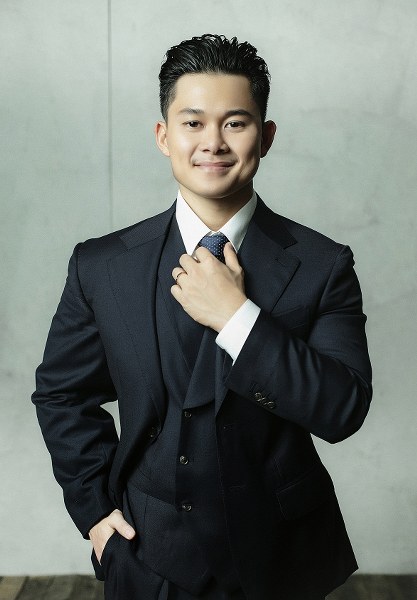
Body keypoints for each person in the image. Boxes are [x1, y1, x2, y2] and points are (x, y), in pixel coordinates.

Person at [32, 34, 372, 600]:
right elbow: (62, 394)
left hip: (281, 559)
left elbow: (343, 408)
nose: (213, 142)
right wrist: (94, 512)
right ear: (164, 136)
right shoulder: (101, 265)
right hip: (144, 554)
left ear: (266, 137)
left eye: (235, 123)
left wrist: (238, 318)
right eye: (193, 123)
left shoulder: (323, 264)